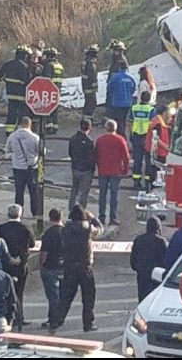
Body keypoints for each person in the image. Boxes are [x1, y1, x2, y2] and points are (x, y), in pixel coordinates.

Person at [50, 205, 102, 334]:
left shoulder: (65, 229)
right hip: (85, 267)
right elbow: (101, 230)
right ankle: (87, 323)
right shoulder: (88, 228)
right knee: (88, 296)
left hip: (69, 266)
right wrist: (93, 218)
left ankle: (57, 321)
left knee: (66, 296)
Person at [0, 204, 35, 327]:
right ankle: (19, 317)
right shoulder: (25, 228)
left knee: (6, 291)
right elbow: (32, 244)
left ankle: (7, 315)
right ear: (20, 214)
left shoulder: (1, 228)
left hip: (6, 264)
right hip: (21, 264)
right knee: (19, 292)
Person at [95, 119, 130, 226]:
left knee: (102, 194)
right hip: (116, 170)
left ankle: (101, 217)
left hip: (103, 170)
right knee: (114, 194)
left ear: (106, 128)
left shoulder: (100, 140)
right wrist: (125, 169)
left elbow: (96, 155)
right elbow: (126, 157)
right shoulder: (120, 140)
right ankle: (113, 218)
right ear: (115, 128)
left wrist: (98, 166)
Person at [4, 116, 40, 217]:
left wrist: (15, 155)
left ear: (20, 124)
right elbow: (42, 152)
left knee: (19, 192)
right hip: (32, 168)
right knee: (34, 192)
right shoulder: (35, 138)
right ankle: (35, 213)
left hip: (18, 168)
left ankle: (18, 214)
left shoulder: (12, 136)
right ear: (30, 125)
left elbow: (7, 150)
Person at [130, 217, 168, 302]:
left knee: (143, 302)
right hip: (157, 278)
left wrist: (140, 268)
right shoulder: (161, 241)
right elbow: (166, 261)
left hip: (142, 278)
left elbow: (133, 262)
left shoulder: (138, 240)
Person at [0, 45, 33, 136]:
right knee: (23, 113)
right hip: (22, 94)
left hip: (10, 93)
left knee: (11, 112)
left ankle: (9, 130)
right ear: (25, 55)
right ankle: (22, 130)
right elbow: (28, 80)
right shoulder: (25, 67)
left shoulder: (8, 64)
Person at [39, 208, 64, 329]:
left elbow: (44, 253)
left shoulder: (48, 234)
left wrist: (41, 264)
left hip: (50, 267)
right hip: (65, 267)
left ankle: (54, 320)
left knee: (53, 295)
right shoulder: (67, 232)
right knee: (62, 294)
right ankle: (57, 317)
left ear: (50, 219)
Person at [130, 91, 157, 190]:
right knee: (148, 159)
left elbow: (130, 122)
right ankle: (148, 180)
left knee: (137, 160)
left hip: (136, 136)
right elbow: (153, 124)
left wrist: (131, 134)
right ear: (149, 99)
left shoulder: (134, 108)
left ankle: (136, 181)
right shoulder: (151, 110)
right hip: (147, 137)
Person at [68, 118, 95, 210]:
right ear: (89, 128)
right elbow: (91, 157)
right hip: (86, 170)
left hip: (75, 168)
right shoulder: (89, 141)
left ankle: (71, 209)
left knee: (74, 190)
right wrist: (92, 168)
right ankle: (82, 210)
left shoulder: (73, 138)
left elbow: (70, 153)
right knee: (84, 192)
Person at [106, 63, 136, 138]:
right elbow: (133, 89)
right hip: (128, 103)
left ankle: (121, 137)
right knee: (124, 120)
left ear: (119, 68)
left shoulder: (115, 77)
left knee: (119, 121)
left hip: (117, 102)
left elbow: (109, 88)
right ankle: (121, 136)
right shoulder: (131, 77)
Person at [41, 47, 64, 135]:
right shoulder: (59, 65)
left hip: (49, 91)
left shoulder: (48, 65)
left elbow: (46, 79)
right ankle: (55, 127)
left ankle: (48, 127)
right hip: (57, 91)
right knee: (55, 110)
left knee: (48, 109)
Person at [145, 104, 170, 183]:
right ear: (164, 113)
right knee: (157, 172)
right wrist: (167, 148)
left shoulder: (156, 121)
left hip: (155, 151)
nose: (169, 115)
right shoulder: (158, 123)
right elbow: (156, 139)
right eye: (168, 113)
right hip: (158, 153)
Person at [80, 44, 100, 124]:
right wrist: (95, 86)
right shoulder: (91, 63)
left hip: (85, 85)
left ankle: (85, 119)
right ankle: (89, 120)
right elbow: (93, 76)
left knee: (88, 102)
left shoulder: (85, 61)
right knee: (92, 102)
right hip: (90, 86)